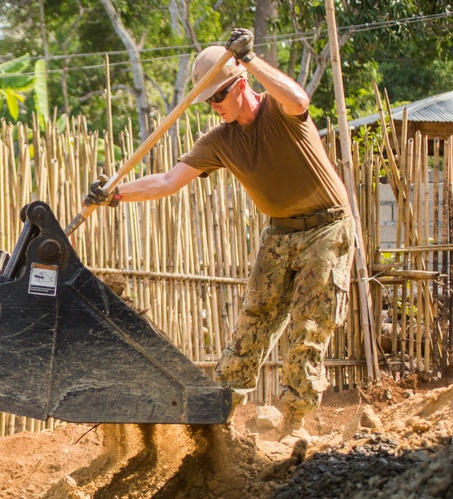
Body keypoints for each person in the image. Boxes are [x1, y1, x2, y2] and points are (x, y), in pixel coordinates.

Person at [84, 28, 356, 445]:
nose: (213, 108)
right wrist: (115, 194)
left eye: (217, 97)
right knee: (254, 321)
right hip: (279, 233)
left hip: (327, 228)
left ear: (240, 83)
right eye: (207, 101)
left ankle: (294, 424)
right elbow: (169, 181)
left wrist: (249, 58)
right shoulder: (218, 141)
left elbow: (300, 99)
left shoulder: (278, 111)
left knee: (308, 329)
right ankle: (220, 415)